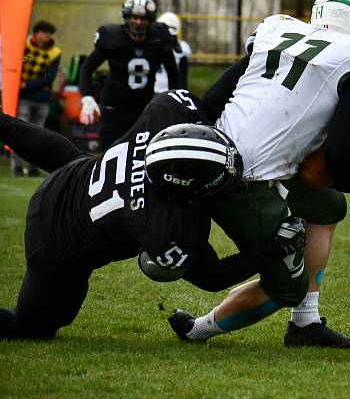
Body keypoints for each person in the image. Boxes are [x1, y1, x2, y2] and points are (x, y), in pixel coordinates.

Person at [167, 0, 350, 346]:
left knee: (327, 205)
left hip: (211, 156)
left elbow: (211, 100)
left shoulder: (278, 32)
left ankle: (306, 323)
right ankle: (200, 329)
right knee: (286, 288)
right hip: (247, 183)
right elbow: (338, 148)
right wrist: (349, 180)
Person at [0, 90, 306, 340]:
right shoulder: (166, 226)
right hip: (52, 245)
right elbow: (214, 276)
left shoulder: (165, 115)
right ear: (184, 187)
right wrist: (278, 247)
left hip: (69, 177)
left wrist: (252, 56)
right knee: (34, 328)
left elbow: (212, 101)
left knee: (75, 159)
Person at [79, 0, 181, 150]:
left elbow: (173, 73)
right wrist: (87, 96)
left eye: (143, 18)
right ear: (126, 17)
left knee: (141, 153)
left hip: (144, 106)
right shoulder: (112, 37)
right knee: (111, 151)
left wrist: (174, 100)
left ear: (151, 20)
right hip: (114, 106)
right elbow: (87, 67)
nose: (138, 22)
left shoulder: (160, 38)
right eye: (134, 17)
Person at [11, 21, 60, 177]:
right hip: (24, 98)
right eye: (45, 32)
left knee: (38, 136)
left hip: (41, 99)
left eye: (50, 33)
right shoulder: (25, 48)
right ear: (37, 33)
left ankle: (33, 167)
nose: (48, 36)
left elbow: (48, 77)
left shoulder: (54, 52)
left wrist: (27, 85)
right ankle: (17, 167)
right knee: (20, 133)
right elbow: (17, 65)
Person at [153, 12, 192, 93]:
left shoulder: (181, 46)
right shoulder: (151, 43)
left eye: (171, 28)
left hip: (168, 90)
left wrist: (175, 45)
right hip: (153, 88)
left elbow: (185, 52)